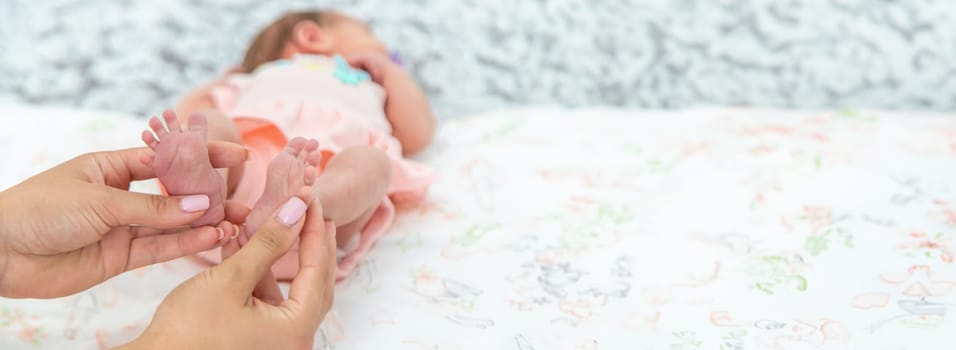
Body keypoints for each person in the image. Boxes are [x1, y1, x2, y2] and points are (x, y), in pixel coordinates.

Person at [146, 10, 437, 281]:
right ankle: (207, 189)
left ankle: (307, 204)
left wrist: (391, 73)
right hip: (233, 197)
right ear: (312, 37)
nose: (387, 51)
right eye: (371, 36)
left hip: (319, 223)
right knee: (210, 123)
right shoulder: (250, 80)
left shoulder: (373, 85)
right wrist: (220, 84)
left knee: (372, 162)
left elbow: (417, 133)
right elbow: (190, 114)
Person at [0, 143, 336, 349]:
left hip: (222, 212)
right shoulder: (243, 79)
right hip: (250, 176)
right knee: (364, 166)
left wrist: (6, 250)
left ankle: (209, 178)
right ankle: (306, 202)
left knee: (368, 165)